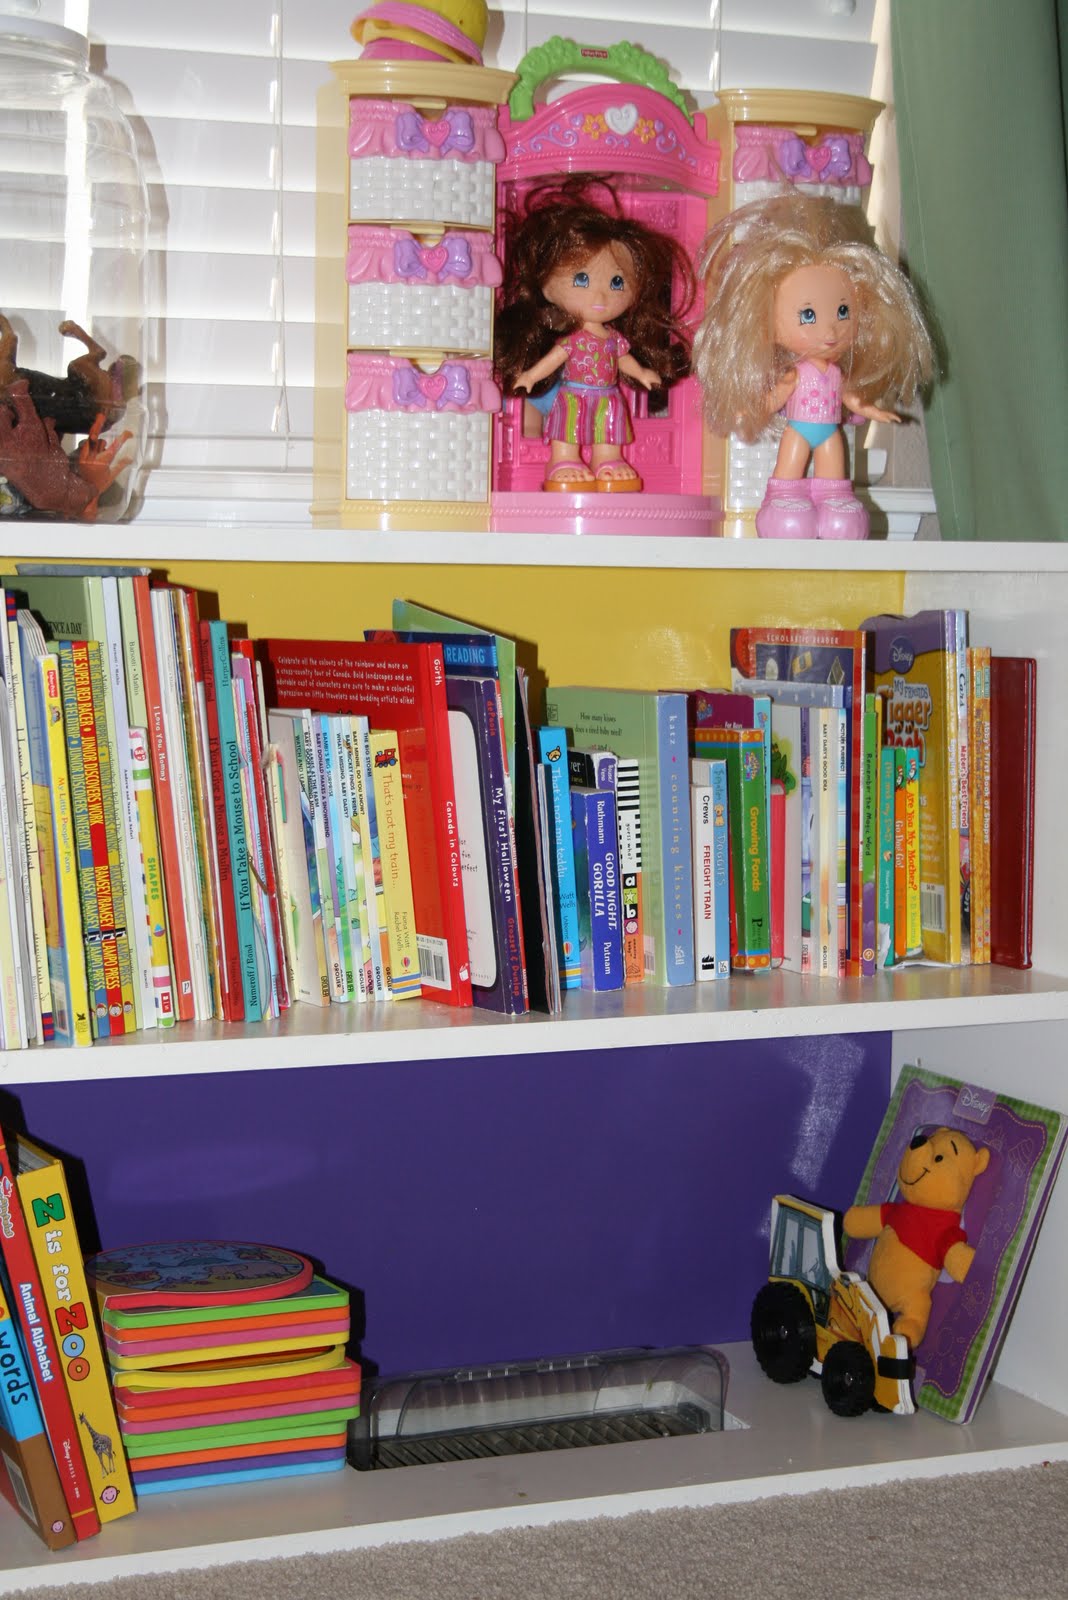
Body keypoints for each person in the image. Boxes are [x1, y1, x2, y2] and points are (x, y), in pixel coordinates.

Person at [693, 192, 934, 538]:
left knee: (834, 470)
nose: (830, 330)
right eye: (808, 315)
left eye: (842, 312)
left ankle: (834, 499)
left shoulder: (835, 373)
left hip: (829, 431)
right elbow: (775, 398)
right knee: (791, 464)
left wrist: (875, 410)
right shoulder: (794, 374)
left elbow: (851, 398)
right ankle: (784, 497)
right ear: (768, 320)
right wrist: (751, 409)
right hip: (800, 429)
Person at [495, 177, 694, 492]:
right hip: (574, 392)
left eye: (617, 283)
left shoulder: (612, 339)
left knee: (608, 429)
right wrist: (531, 376)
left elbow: (623, 359)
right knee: (567, 429)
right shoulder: (573, 339)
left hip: (606, 396)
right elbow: (555, 358)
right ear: (546, 284)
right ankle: (563, 459)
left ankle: (607, 459)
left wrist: (642, 372)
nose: (600, 297)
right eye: (583, 279)